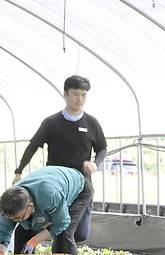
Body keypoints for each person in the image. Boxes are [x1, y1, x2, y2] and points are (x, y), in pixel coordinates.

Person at [12, 75, 106, 244]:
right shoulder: (52, 122)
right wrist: (19, 171)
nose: (80, 99)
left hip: (81, 186)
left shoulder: (92, 123)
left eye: (83, 95)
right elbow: (33, 146)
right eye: (75, 94)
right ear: (65, 94)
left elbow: (102, 148)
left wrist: (95, 163)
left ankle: (52, 239)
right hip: (54, 187)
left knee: (80, 234)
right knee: (63, 231)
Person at [0, 166, 92, 255]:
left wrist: (34, 241)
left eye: (17, 218)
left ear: (30, 206)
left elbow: (61, 223)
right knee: (23, 230)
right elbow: (3, 230)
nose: (14, 221)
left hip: (78, 188)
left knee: (64, 235)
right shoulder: (9, 204)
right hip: (52, 185)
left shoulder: (50, 195)